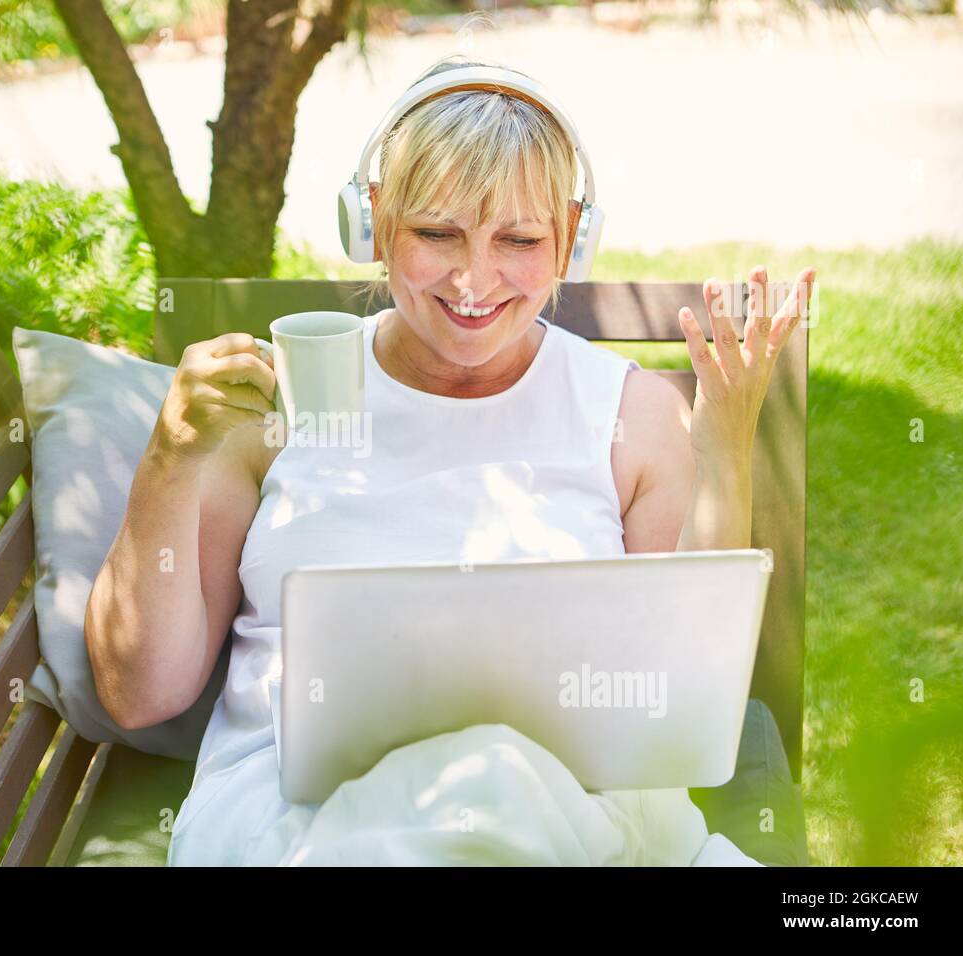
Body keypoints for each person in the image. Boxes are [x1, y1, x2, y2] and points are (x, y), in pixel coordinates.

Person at [83, 56, 816, 866]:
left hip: (575, 813)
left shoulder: (631, 418)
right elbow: (141, 691)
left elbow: (682, 699)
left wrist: (721, 453)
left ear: (572, 239)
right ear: (372, 227)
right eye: (436, 233)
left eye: (520, 239)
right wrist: (169, 458)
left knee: (494, 783)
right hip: (292, 820)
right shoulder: (277, 403)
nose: (474, 280)